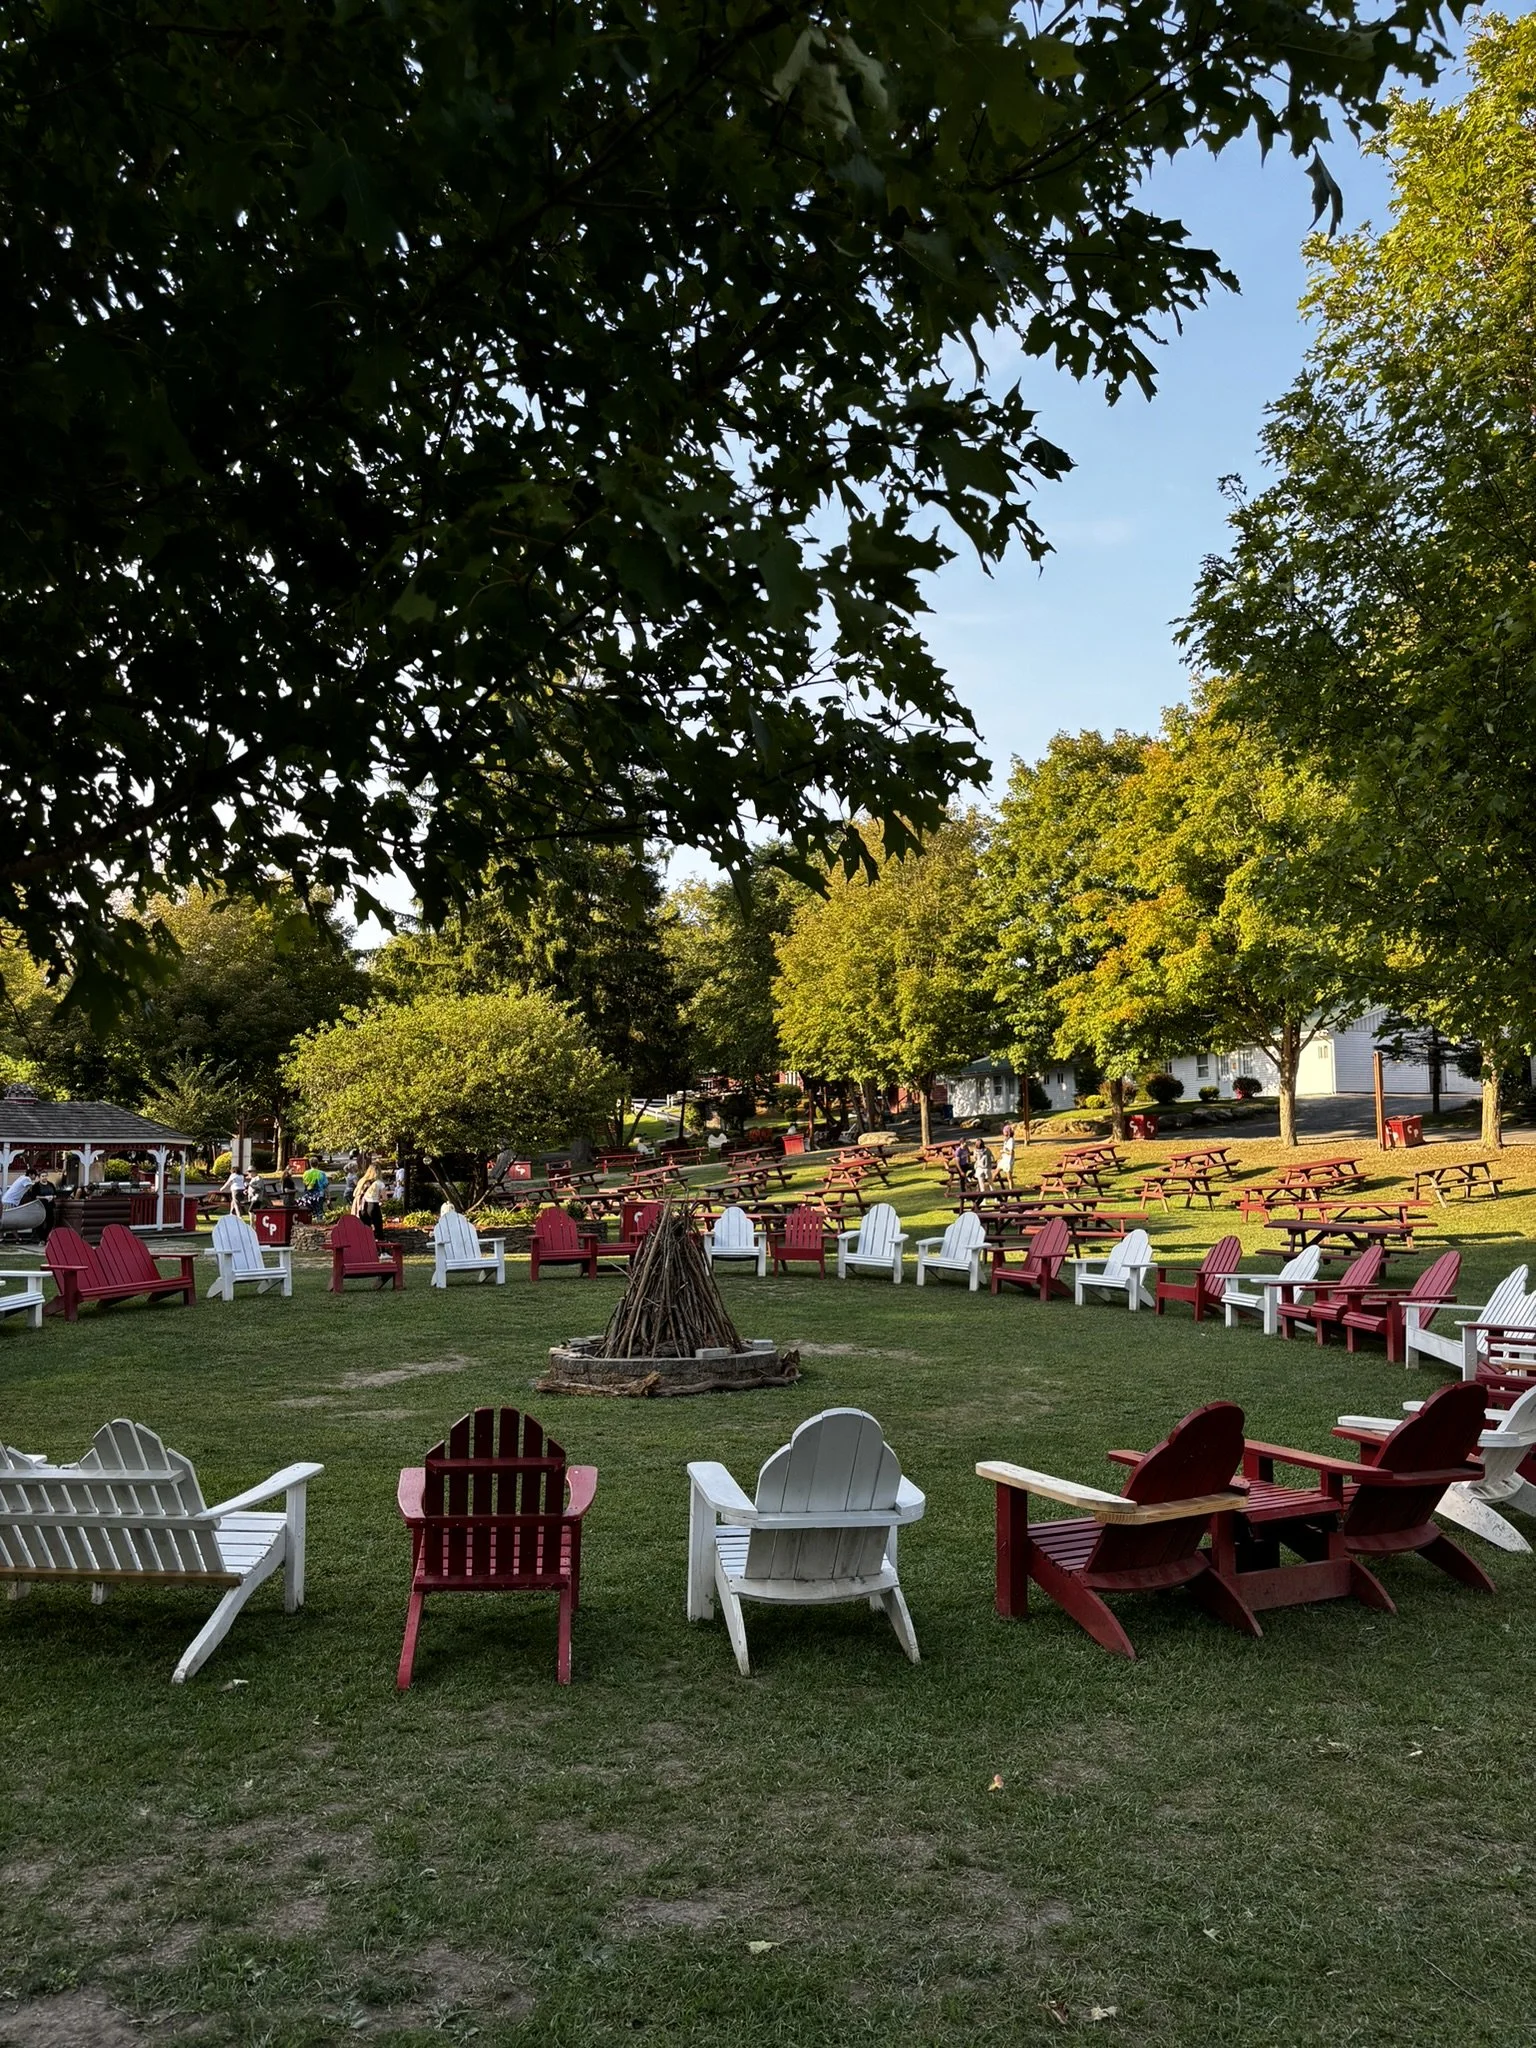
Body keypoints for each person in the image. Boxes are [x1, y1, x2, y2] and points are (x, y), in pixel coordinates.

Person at [352, 1162, 384, 1239]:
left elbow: (355, 1193)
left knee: (365, 1228)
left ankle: (365, 1246)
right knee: (378, 1228)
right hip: (373, 1205)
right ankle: (381, 1249)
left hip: (362, 1206)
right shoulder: (379, 1183)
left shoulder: (362, 1181)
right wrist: (380, 1200)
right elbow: (385, 1198)